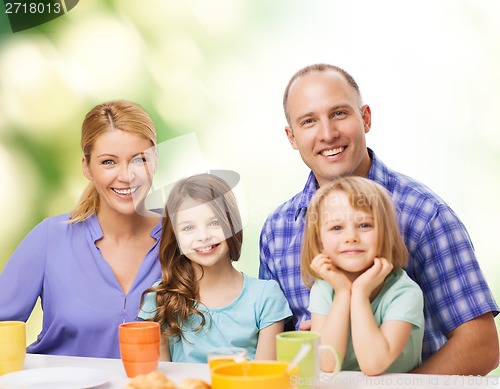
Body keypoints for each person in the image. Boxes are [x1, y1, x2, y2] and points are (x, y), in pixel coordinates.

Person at [259, 63, 499, 375]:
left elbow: (481, 346)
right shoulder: (277, 230)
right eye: (309, 122)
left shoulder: (424, 214)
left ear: (365, 118)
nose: (328, 134)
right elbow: (268, 344)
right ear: (292, 137)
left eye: (340, 114)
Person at [0, 100, 162, 358]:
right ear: (87, 167)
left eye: (138, 159)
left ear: (154, 162)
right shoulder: (50, 238)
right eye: (108, 162)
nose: (126, 175)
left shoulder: (182, 239)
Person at [138, 173, 291, 363]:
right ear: (175, 237)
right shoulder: (160, 299)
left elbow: (265, 377)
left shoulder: (266, 297)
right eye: (188, 228)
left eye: (214, 223)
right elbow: (159, 380)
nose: (203, 236)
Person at [302, 176, 424, 375]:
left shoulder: (404, 293)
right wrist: (343, 293)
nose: (351, 237)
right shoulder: (324, 288)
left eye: (365, 225)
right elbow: (327, 363)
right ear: (320, 242)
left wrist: (358, 294)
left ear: (386, 233)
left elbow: (373, 365)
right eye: (336, 228)